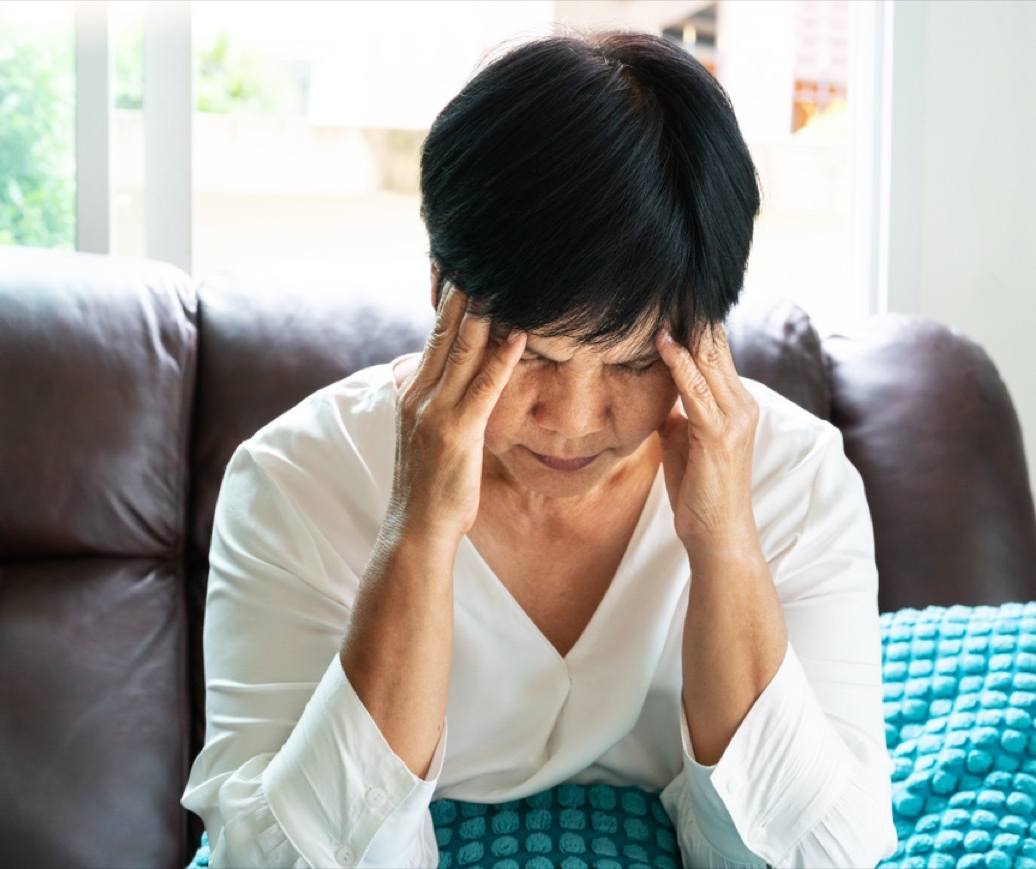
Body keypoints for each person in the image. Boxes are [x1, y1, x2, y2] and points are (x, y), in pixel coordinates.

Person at [182, 30, 897, 869]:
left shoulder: (798, 480)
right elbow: (271, 859)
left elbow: (820, 856)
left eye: (635, 362)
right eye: (536, 357)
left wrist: (727, 544)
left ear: (707, 328)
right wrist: (416, 532)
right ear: (442, 291)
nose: (574, 419)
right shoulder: (296, 480)